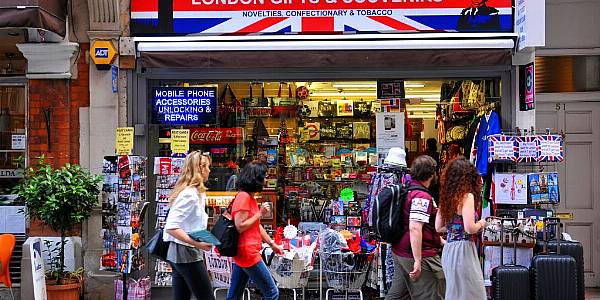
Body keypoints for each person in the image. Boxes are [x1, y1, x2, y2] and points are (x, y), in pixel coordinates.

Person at [386, 155, 445, 300]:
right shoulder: (421, 197)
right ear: (432, 174)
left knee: (398, 295)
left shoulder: (408, 190)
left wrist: (441, 241)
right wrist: (418, 260)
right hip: (418, 254)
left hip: (400, 250)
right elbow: (415, 228)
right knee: (433, 291)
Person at [226, 161, 284, 300]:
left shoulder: (248, 197)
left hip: (245, 253)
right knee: (272, 293)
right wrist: (260, 213)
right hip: (248, 253)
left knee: (234, 296)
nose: (266, 180)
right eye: (263, 176)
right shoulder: (244, 197)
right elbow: (240, 226)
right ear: (255, 179)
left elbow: (256, 225)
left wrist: (271, 243)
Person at [163, 151, 215, 300]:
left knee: (181, 297)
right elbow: (171, 227)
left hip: (180, 253)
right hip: (187, 253)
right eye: (207, 167)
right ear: (200, 169)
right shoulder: (190, 194)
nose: (209, 170)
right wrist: (197, 244)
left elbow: (190, 224)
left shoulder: (196, 193)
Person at [435, 158, 487, 300]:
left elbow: (438, 227)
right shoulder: (467, 196)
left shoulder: (446, 197)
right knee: (473, 292)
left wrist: (454, 228)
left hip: (449, 249)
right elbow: (470, 228)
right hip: (464, 250)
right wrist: (483, 223)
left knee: (454, 292)